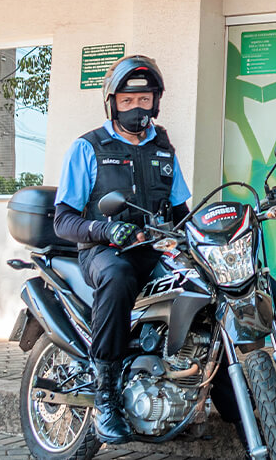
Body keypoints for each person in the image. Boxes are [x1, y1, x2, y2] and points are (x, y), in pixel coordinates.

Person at [52, 55, 190, 445]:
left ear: (155, 102)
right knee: (118, 276)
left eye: (143, 100)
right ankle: (106, 394)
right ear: (113, 103)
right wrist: (105, 228)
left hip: (153, 247)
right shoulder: (88, 148)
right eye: (127, 102)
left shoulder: (164, 150)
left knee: (203, 283)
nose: (136, 108)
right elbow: (63, 220)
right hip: (104, 250)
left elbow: (182, 212)